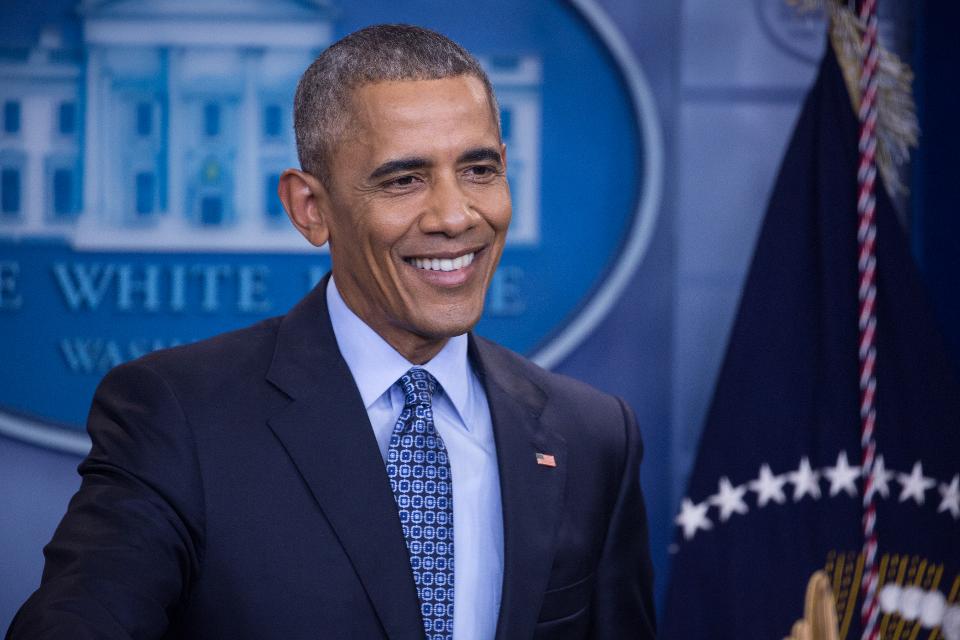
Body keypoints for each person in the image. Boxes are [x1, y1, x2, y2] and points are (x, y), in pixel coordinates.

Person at [6, 24, 655, 640]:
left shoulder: (592, 438)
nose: (456, 215)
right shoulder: (178, 416)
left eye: (479, 171)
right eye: (404, 180)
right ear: (310, 209)